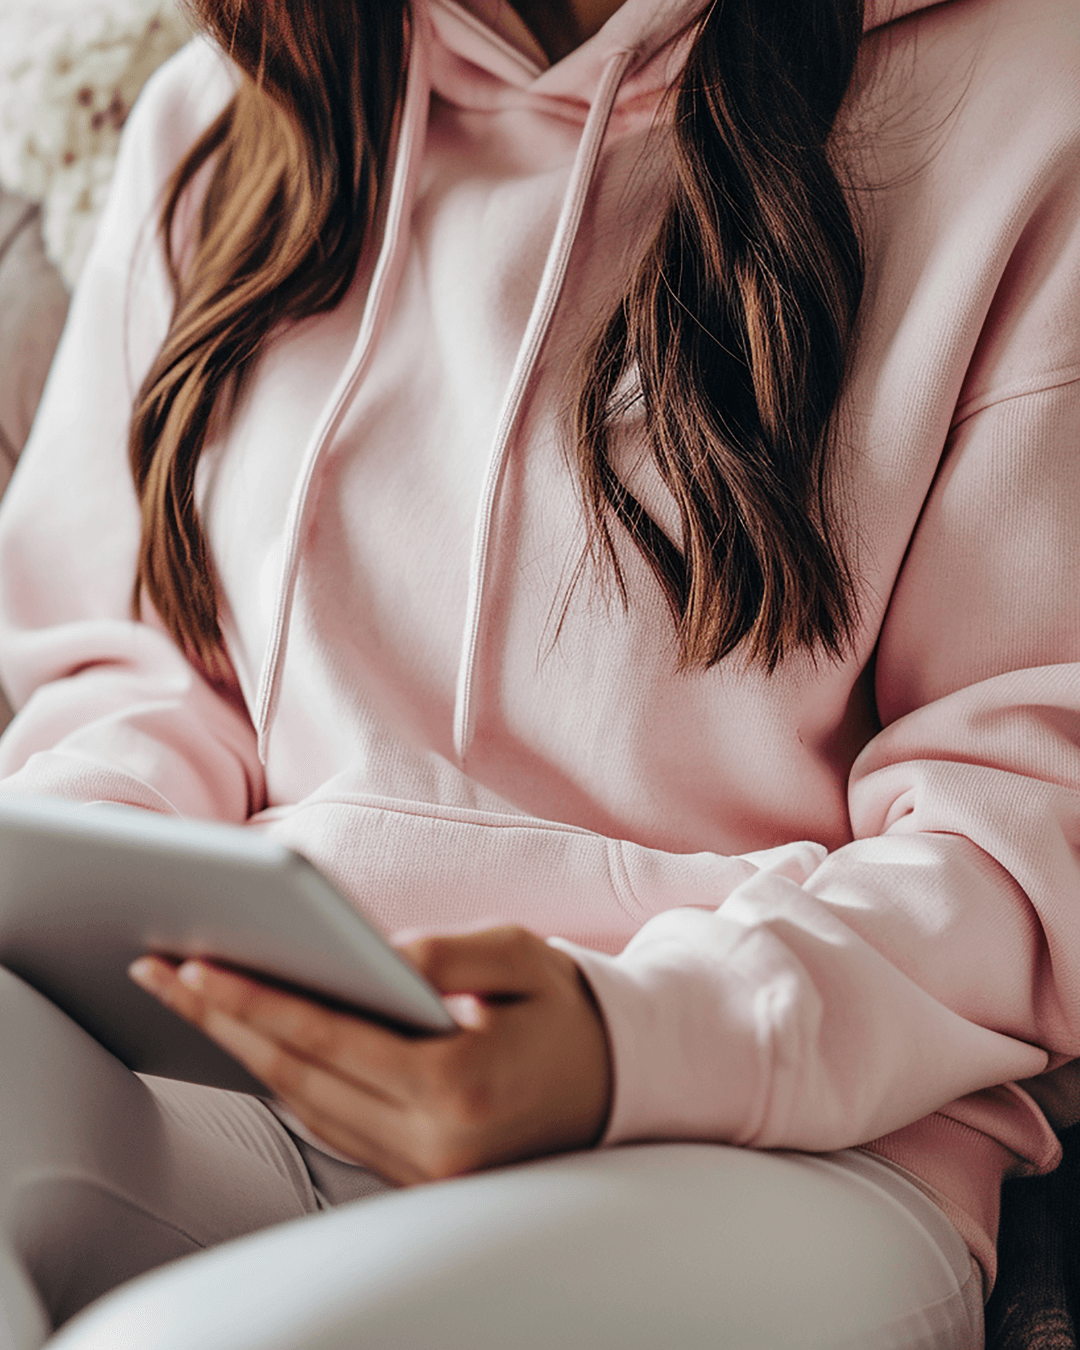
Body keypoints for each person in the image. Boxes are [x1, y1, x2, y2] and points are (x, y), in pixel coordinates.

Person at [0, 0, 1078, 1344]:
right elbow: (133, 665)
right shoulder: (234, 110)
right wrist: (105, 880)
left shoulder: (1035, 104)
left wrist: (630, 1036)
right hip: (250, 1068)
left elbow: (1024, 837)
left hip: (775, 1142)